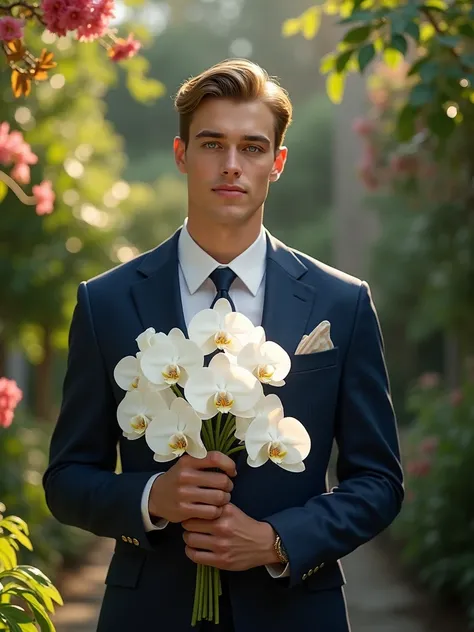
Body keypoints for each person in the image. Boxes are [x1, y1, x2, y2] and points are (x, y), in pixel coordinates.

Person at [43, 58, 404, 632]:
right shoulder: (105, 302)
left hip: (297, 613)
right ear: (182, 153)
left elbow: (379, 482)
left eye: (253, 147)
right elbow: (66, 479)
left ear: (277, 163)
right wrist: (152, 497)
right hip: (149, 613)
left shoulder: (342, 304)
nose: (231, 165)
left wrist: (277, 540)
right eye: (212, 143)